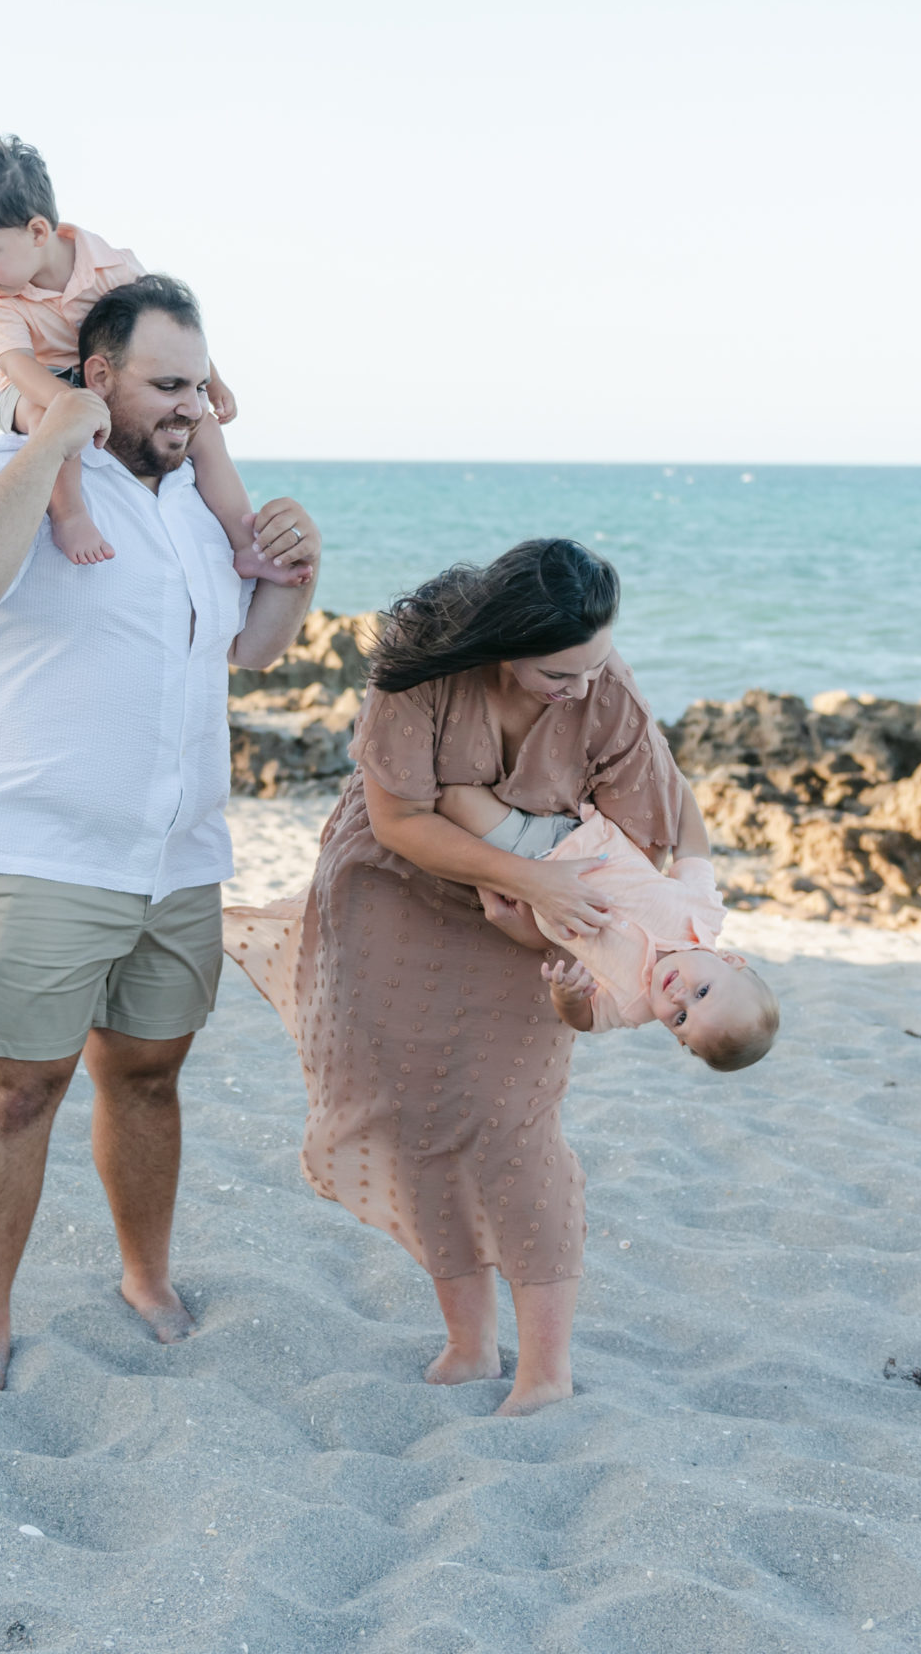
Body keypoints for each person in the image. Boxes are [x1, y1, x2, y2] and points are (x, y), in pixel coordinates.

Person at [0, 273, 322, 1388]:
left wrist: (296, 566)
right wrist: (51, 438)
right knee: (18, 1090)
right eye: (165, 384)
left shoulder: (196, 509)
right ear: (97, 376)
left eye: (199, 384)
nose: (191, 407)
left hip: (176, 854)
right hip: (36, 847)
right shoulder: (1, 472)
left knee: (147, 1076)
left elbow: (253, 648)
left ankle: (143, 1275)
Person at [224, 538, 712, 1417]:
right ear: (500, 646)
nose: (580, 687)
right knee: (414, 1116)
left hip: (539, 917)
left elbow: (656, 831)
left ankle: (546, 1368)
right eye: (556, 675)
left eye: (593, 664)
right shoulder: (420, 675)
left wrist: (549, 901)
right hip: (396, 890)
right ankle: (467, 1342)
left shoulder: (605, 690)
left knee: (511, 1126)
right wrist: (528, 871)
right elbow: (402, 819)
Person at [0, 134, 304, 580]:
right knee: (52, 420)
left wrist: (211, 381)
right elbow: (16, 362)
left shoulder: (109, 265)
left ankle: (245, 544)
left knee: (208, 432)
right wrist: (65, 401)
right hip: (29, 385)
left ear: (38, 232)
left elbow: (168, 325)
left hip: (98, 375)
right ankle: (70, 518)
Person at [435, 782, 779, 1064]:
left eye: (680, 1020)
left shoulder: (633, 1005)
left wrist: (567, 997)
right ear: (730, 960)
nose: (678, 997)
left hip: (530, 864)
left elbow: (585, 1020)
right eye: (702, 992)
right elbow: (692, 851)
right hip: (583, 825)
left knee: (455, 799)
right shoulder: (702, 916)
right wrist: (678, 784)